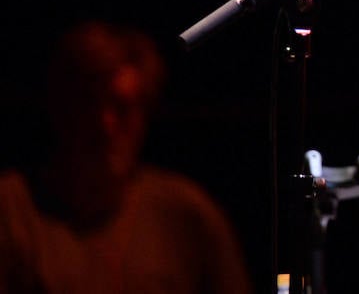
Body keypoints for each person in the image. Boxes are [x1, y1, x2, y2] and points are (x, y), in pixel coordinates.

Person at [0, 20, 255, 294]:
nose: (105, 125)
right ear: (60, 106)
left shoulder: (188, 215)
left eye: (122, 108)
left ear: (145, 113)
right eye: (89, 103)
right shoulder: (11, 210)